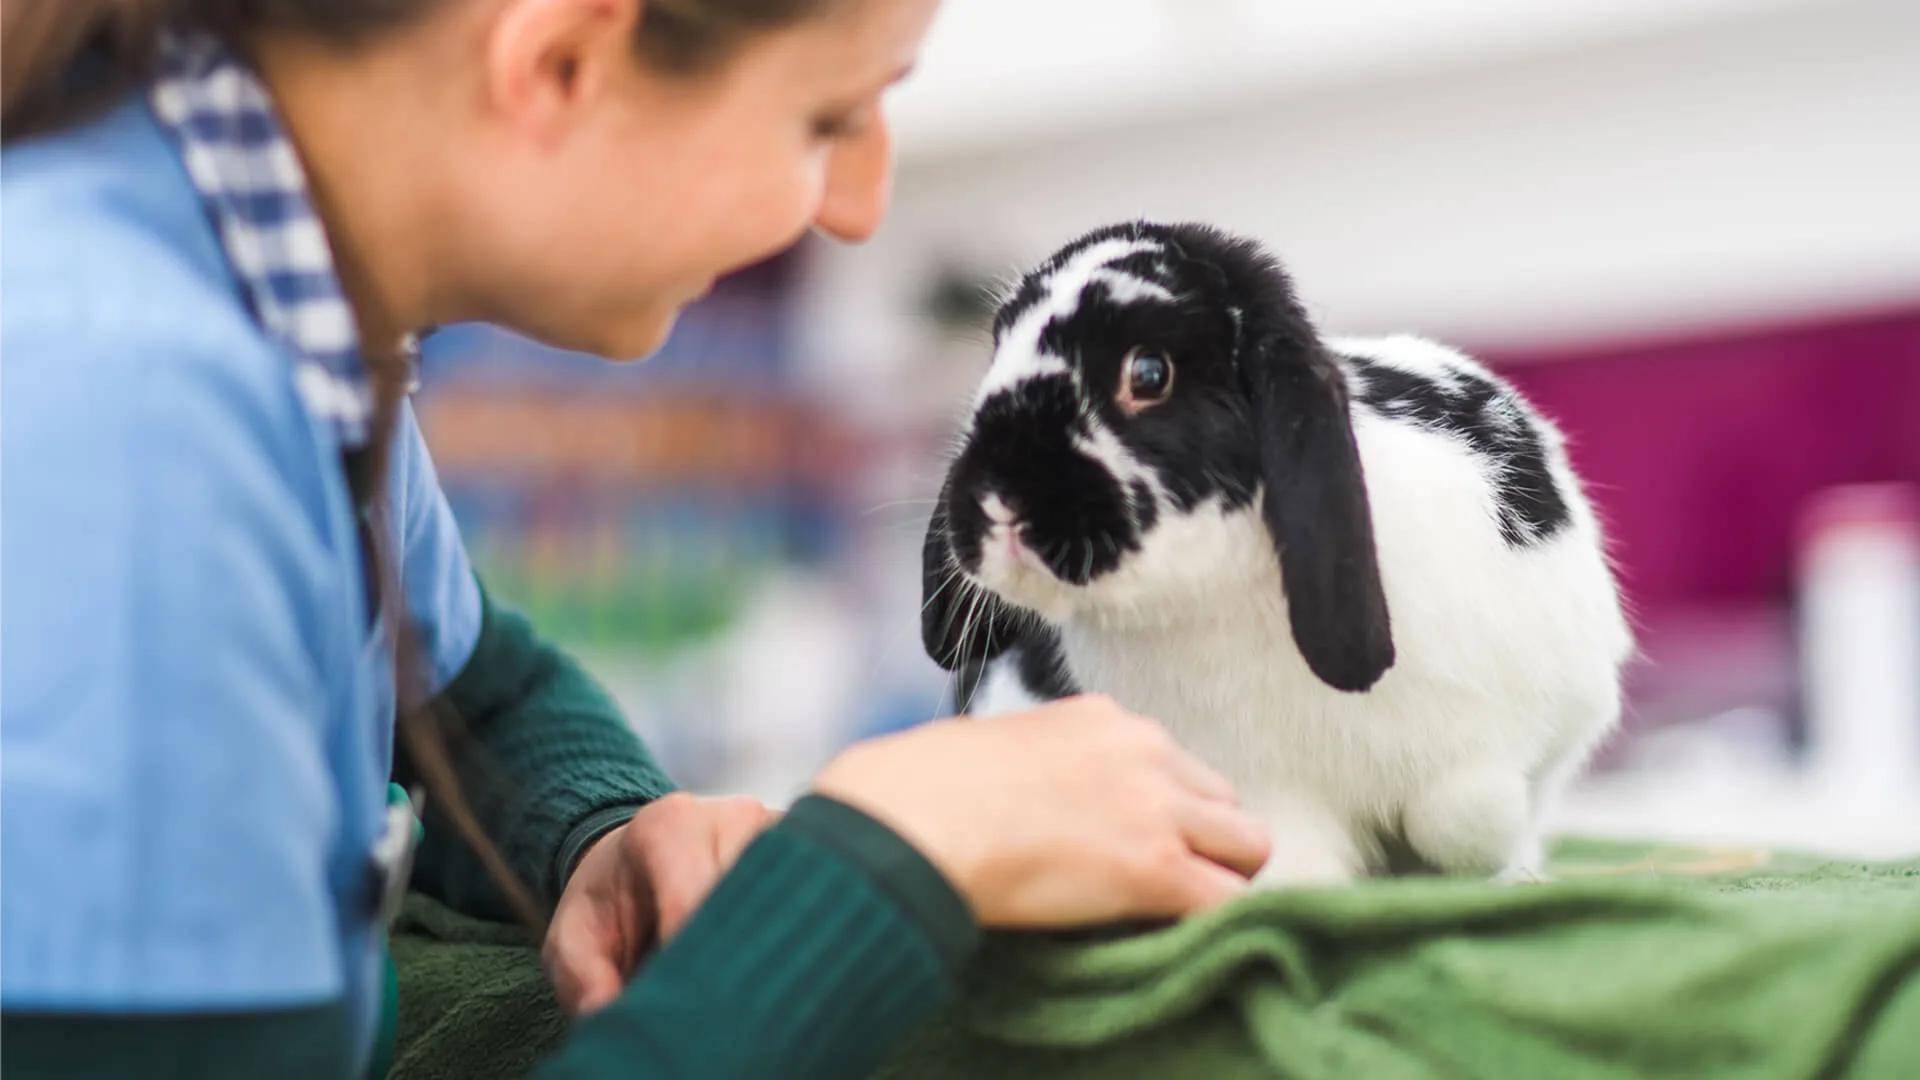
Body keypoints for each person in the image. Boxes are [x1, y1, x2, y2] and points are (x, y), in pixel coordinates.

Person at [0, 1, 1273, 1078]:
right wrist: (885, 868)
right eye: (825, 120)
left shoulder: (284, 310)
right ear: (560, 61)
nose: (859, 203)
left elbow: (461, 694)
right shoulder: (120, 413)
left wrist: (598, 834)